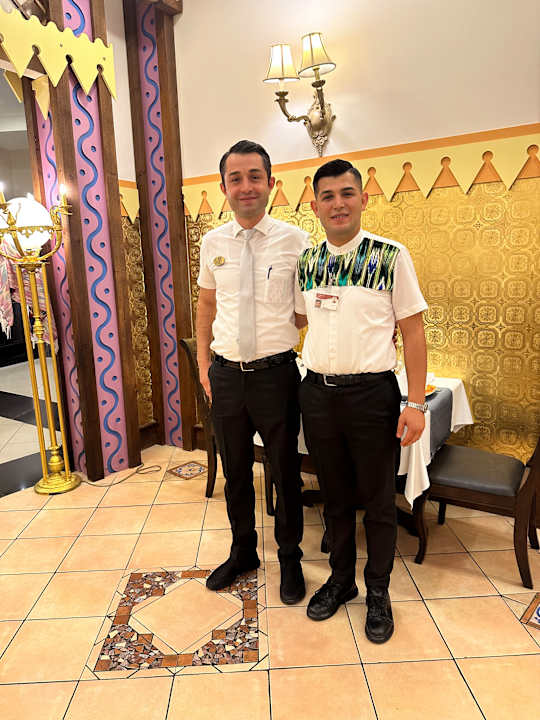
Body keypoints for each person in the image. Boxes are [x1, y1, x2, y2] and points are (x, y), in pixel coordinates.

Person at [296, 158, 428, 643]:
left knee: (377, 501)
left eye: (347, 193)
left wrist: (416, 403)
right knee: (334, 498)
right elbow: (300, 320)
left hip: (373, 395)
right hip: (319, 394)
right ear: (315, 206)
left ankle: (378, 590)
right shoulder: (307, 262)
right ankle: (341, 580)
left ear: (363, 199)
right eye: (327, 196)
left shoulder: (390, 255)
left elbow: (413, 331)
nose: (338, 204)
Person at [196, 140, 310, 604]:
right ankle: (243, 551)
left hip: (276, 376)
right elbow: (206, 306)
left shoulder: (296, 241)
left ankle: (289, 557)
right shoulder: (212, 242)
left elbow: (304, 313)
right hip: (226, 376)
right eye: (235, 178)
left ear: (270, 183)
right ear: (224, 187)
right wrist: (204, 367)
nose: (246, 186)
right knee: (236, 472)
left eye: (254, 177)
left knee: (285, 473)